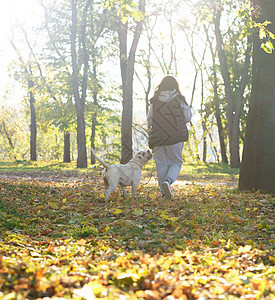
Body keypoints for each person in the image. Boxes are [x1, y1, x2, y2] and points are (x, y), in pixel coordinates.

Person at [147, 75, 192, 199]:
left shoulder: (155, 101)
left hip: (158, 136)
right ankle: (168, 181)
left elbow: (149, 120)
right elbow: (187, 117)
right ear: (175, 86)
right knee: (176, 162)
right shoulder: (179, 100)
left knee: (161, 164)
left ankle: (163, 193)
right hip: (175, 136)